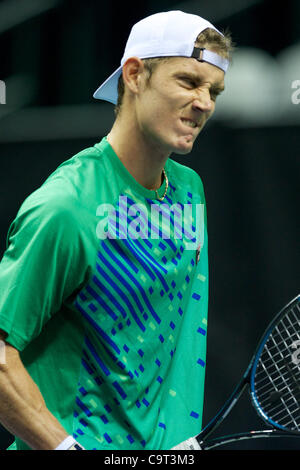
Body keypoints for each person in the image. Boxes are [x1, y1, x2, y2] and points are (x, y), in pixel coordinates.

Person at [0, 10, 233, 450]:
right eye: (188, 81)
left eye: (214, 90)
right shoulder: (66, 205)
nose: (204, 102)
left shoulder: (189, 192)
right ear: (135, 75)